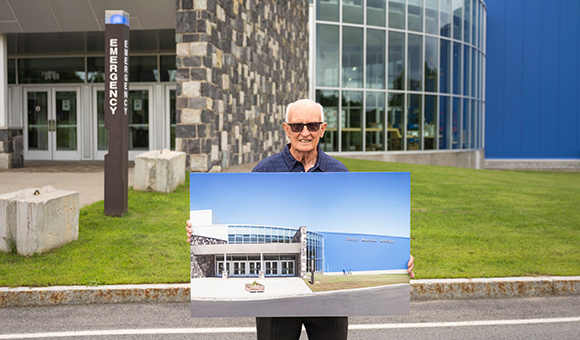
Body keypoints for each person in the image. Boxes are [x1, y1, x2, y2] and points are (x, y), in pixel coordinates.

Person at [187, 99, 415, 340]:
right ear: (286, 129)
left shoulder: (339, 172)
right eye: (297, 126)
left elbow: (358, 220)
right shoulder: (264, 171)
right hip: (274, 306)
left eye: (312, 126)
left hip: (329, 307)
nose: (305, 133)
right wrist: (198, 230)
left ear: (323, 129)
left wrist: (399, 257)